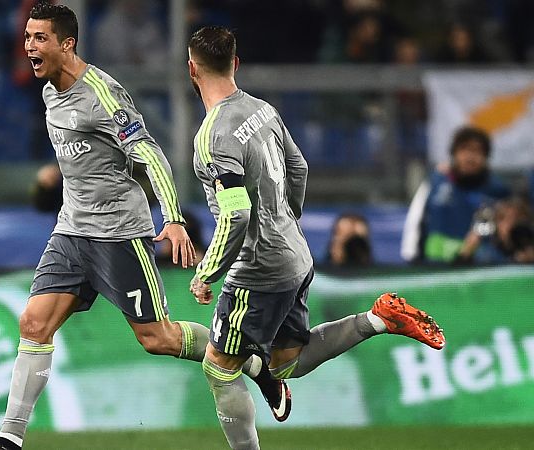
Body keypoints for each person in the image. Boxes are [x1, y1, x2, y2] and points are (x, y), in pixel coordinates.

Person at [0, 6, 283, 450]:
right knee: (33, 322)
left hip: (118, 234)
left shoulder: (102, 95)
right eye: (27, 37)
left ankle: (253, 362)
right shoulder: (49, 91)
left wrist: (173, 218)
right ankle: (9, 440)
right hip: (71, 231)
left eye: (40, 38)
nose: (29, 46)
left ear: (67, 43)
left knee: (158, 338)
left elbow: (151, 155)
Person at [186, 26, 446, 450]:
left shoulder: (213, 135)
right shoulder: (263, 110)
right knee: (285, 363)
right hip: (295, 253)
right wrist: (287, 220)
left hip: (258, 269)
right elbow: (299, 168)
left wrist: (207, 271)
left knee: (219, 367)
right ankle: (379, 318)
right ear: (235, 64)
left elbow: (236, 213)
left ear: (192, 69)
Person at [400, 126, 511, 263]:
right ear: (454, 153)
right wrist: (412, 258)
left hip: (480, 268)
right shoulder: (435, 182)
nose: (470, 157)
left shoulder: (498, 191)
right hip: (433, 266)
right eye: (464, 149)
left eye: (477, 151)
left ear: (486, 157)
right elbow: (415, 223)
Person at [454, 197, 534, 265]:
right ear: (496, 222)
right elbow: (456, 272)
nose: (510, 223)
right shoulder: (485, 253)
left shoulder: (530, 245)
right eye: (503, 218)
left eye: (516, 218)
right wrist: (466, 251)